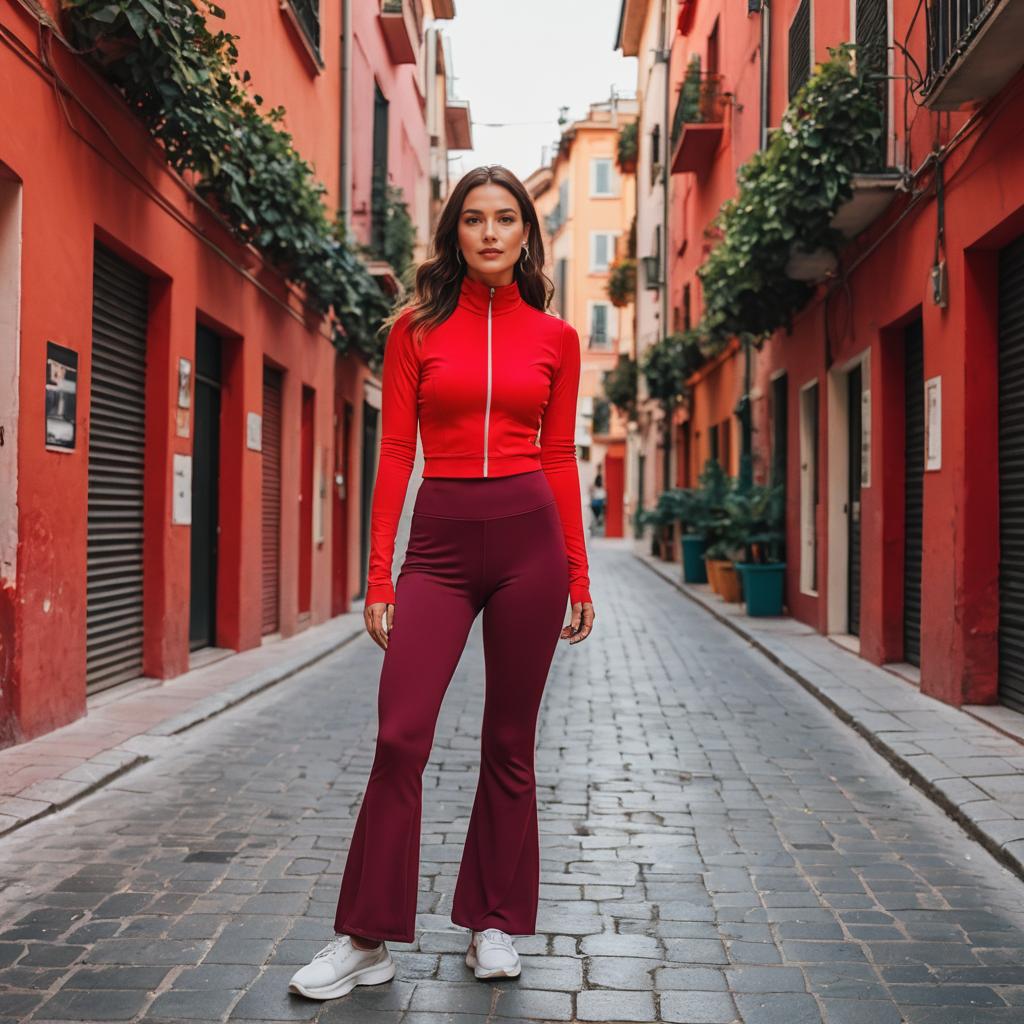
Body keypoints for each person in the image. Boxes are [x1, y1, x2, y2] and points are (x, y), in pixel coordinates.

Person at [288, 165, 595, 1001]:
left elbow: (561, 455)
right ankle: (364, 939)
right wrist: (379, 575)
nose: (490, 233)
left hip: (530, 538)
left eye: (505, 219)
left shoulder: (558, 339)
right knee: (401, 736)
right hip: (442, 542)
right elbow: (394, 454)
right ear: (453, 234)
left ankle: (491, 921)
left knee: (509, 741)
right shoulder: (415, 330)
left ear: (526, 233)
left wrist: (577, 568)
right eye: (473, 220)